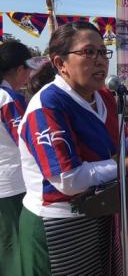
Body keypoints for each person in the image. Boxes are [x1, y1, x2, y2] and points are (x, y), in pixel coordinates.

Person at [18, 21, 128, 276]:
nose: (100, 60)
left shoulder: (103, 96)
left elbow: (121, 142)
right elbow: (69, 179)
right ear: (61, 64)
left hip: (102, 210)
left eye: (103, 52)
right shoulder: (47, 107)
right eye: (88, 52)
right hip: (57, 224)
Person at [0, 41, 39, 276]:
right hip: (13, 184)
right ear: (18, 70)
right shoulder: (8, 100)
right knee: (16, 249)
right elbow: (25, 140)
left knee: (6, 246)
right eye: (28, 68)